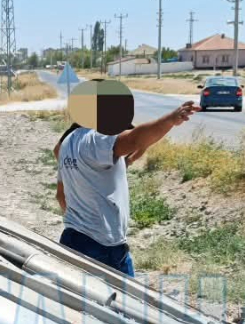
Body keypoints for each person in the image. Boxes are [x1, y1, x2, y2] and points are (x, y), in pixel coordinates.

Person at [52, 102, 198, 276]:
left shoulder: (69, 143)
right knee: (123, 294)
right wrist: (171, 120)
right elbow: (133, 140)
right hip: (99, 247)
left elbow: (61, 195)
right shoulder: (96, 140)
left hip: (78, 240)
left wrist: (79, 221)